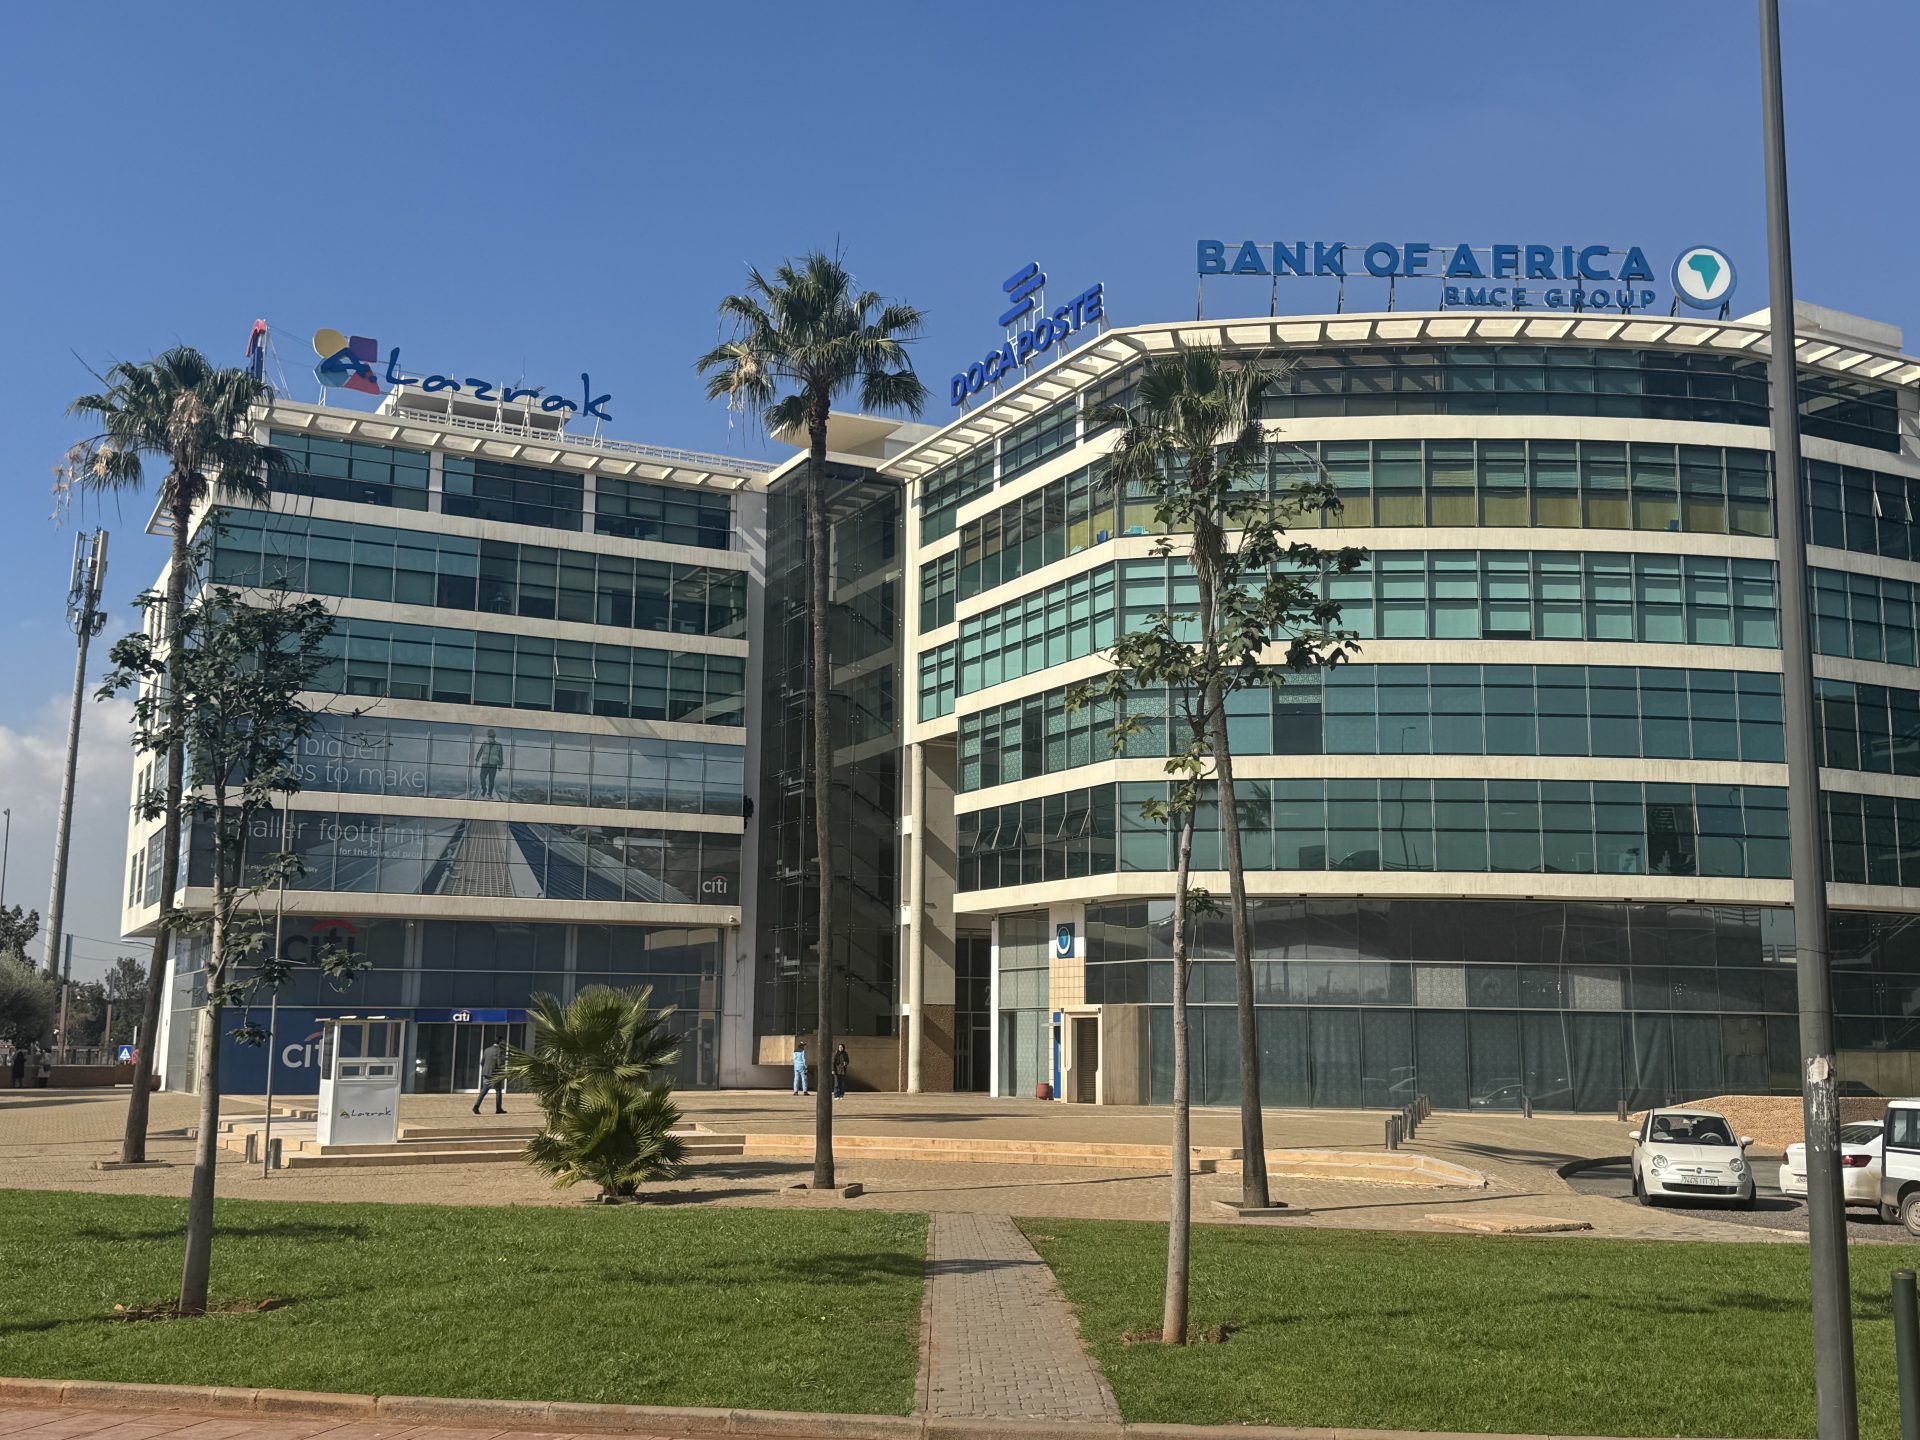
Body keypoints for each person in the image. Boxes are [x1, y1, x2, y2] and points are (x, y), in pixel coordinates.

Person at [473, 1039, 506, 1114]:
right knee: (498, 1091)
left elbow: (482, 1062)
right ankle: (498, 1109)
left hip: (486, 1073)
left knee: (484, 1091)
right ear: (500, 1042)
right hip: (495, 1074)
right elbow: (499, 1063)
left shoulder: (487, 1050)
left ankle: (476, 1106)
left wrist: (486, 1070)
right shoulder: (499, 1051)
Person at [474, 730, 504, 798]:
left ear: (494, 737)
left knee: (491, 781)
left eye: (492, 737)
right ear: (488, 737)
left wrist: (500, 765)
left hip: (493, 765)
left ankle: (489, 793)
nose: (490, 738)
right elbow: (480, 752)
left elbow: (500, 755)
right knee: (482, 778)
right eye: (489, 737)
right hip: (484, 764)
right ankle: (484, 790)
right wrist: (476, 761)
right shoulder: (484, 744)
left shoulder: (498, 745)